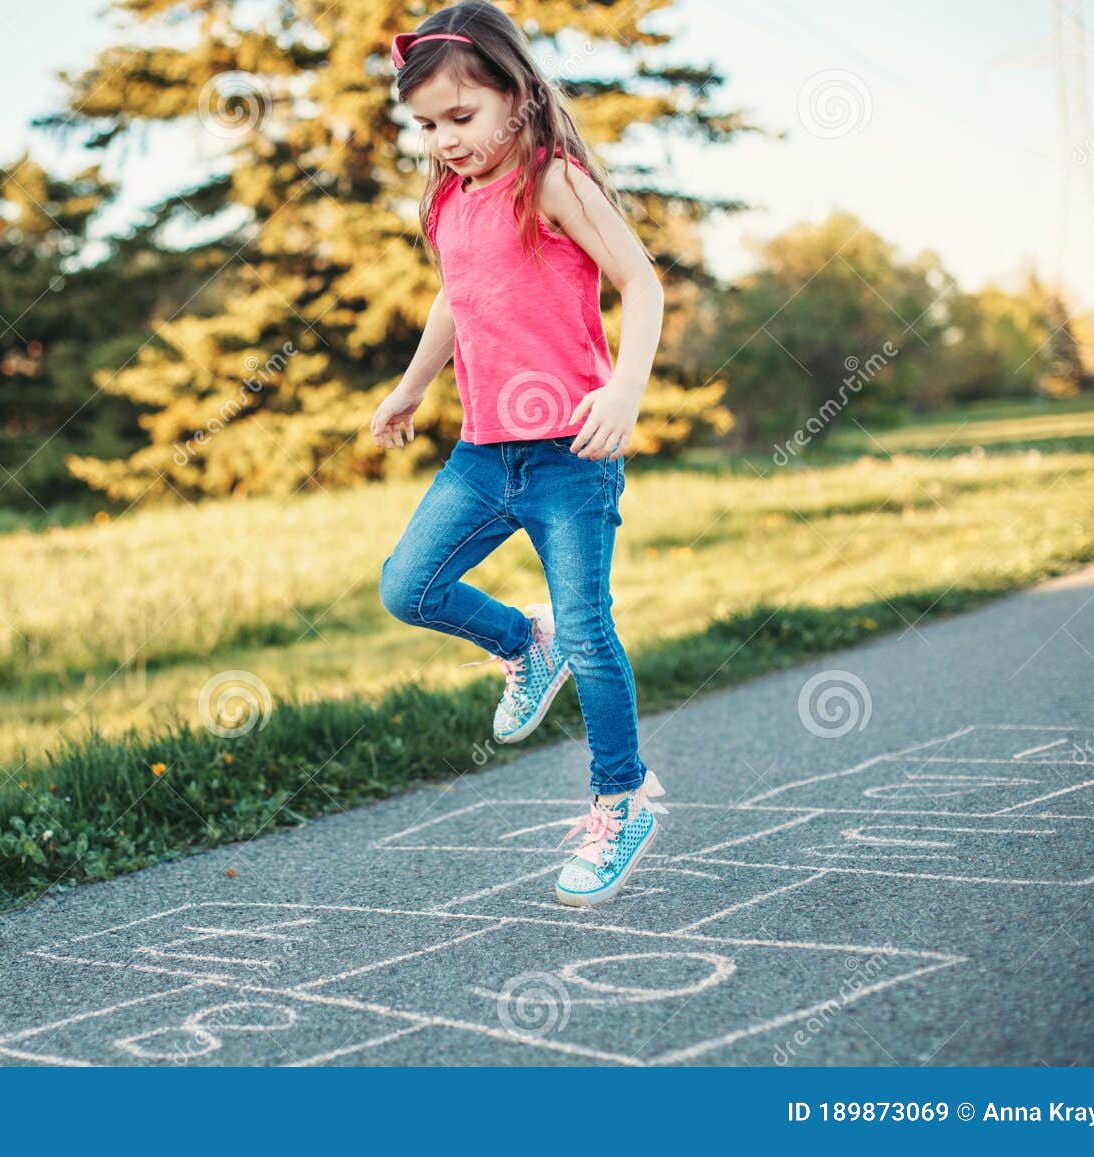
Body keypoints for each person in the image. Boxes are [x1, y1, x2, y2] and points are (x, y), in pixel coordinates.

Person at [371, 0, 670, 909]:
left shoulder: (552, 180)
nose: (445, 140)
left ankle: (619, 801)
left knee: (594, 629)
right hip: (483, 452)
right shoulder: (449, 204)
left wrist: (623, 390)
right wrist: (414, 383)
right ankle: (522, 643)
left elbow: (641, 282)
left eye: (461, 118)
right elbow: (455, 300)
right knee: (408, 587)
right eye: (426, 126)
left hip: (569, 458)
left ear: (516, 97)